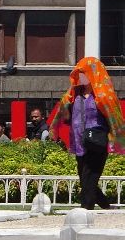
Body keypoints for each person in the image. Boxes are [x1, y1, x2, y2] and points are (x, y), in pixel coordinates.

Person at [51, 58, 125, 210]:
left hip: (97, 142)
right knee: (84, 178)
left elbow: (115, 120)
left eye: (83, 73)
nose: (80, 76)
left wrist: (115, 140)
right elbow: (62, 114)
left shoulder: (104, 96)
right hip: (79, 143)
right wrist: (55, 128)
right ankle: (105, 205)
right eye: (78, 73)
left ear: (93, 74)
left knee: (89, 177)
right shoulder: (73, 94)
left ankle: (86, 208)